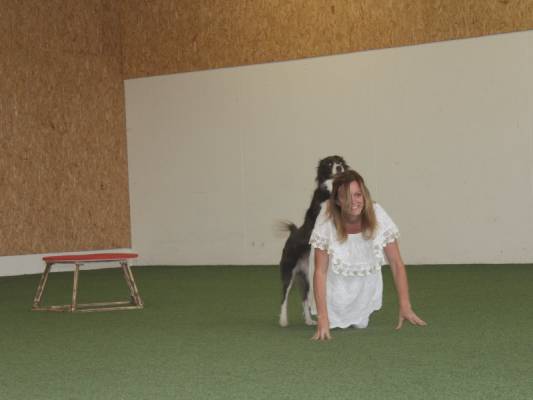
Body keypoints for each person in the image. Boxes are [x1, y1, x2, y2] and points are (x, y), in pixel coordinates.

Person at [310, 170, 426, 340]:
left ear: (364, 195)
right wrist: (323, 318)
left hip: (365, 288)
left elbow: (396, 263)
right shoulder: (326, 220)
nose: (353, 201)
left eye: (358, 195)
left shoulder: (378, 215)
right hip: (334, 289)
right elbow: (320, 271)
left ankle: (360, 309)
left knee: (361, 324)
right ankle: (329, 313)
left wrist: (405, 305)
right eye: (346, 197)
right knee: (332, 322)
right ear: (337, 201)